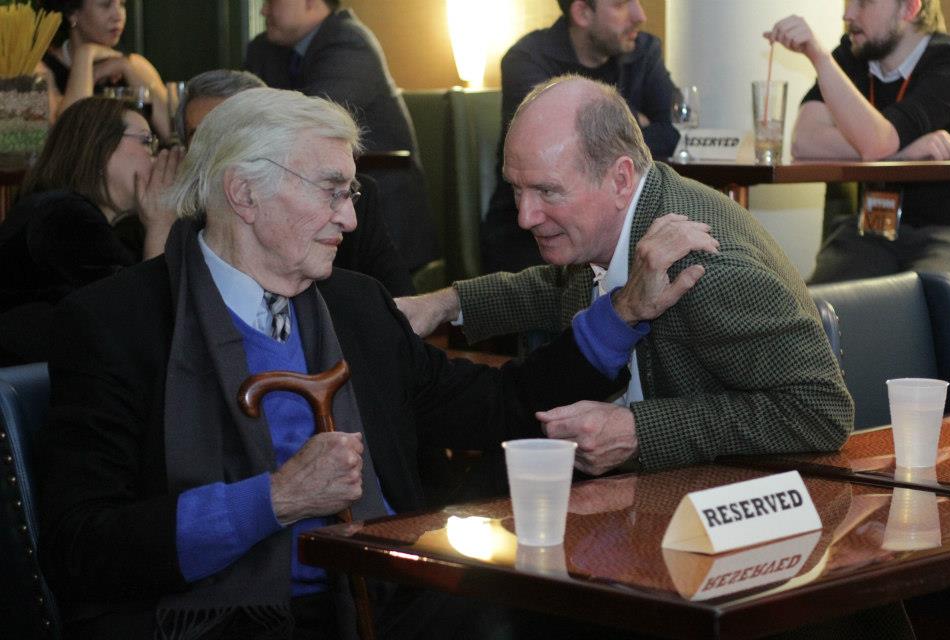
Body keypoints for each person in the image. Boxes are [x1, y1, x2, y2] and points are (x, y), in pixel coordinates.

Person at [37, 86, 701, 638]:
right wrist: (274, 500)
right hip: (204, 620)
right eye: (332, 191)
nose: (349, 220)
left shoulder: (354, 307)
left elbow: (496, 405)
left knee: (587, 614)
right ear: (243, 193)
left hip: (377, 603)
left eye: (351, 194)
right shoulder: (117, 325)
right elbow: (83, 547)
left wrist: (623, 316)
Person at [397, 75, 853, 477]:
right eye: (517, 189)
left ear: (619, 179)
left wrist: (640, 430)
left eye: (546, 191)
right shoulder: (616, 224)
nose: (524, 216)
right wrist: (444, 304)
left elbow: (822, 410)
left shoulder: (700, 271)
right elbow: (550, 290)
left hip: (719, 521)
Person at [766, 1, 950, 283]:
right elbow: (804, 141)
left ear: (909, 8)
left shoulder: (949, 63)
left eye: (864, 2)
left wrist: (819, 58)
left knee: (927, 306)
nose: (848, 15)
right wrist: (902, 154)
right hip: (870, 230)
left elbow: (878, 142)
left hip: (945, 233)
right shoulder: (852, 54)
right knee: (819, 307)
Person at [175, 68, 415, 296]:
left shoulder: (360, 289)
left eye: (241, 140)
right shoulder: (173, 230)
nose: (223, 156)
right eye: (204, 138)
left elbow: (399, 311)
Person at [482, 0, 680, 274]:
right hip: (528, 236)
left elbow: (672, 132)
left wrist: (603, 134)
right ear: (582, 13)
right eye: (622, 4)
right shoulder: (528, 58)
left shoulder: (643, 51)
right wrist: (636, 123)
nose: (640, 15)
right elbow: (544, 150)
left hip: (619, 226)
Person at [244, 0, 438, 274]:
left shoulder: (348, 42)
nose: (263, 10)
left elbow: (308, 127)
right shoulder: (263, 49)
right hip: (297, 211)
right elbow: (240, 124)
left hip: (372, 218)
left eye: (271, 1)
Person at [0, 97, 179, 365]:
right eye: (145, 141)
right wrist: (161, 224)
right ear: (99, 148)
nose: (154, 157)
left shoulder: (59, 210)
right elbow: (138, 325)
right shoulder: (62, 216)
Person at [38, 0, 171, 140]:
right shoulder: (42, 71)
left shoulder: (135, 64)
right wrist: (85, 56)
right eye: (106, 5)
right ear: (72, 13)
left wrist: (126, 66)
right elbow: (68, 138)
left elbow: (174, 133)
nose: (118, 16)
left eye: (122, 4)